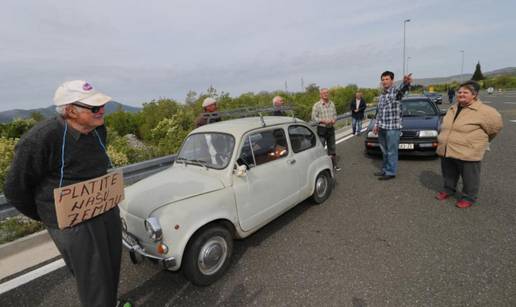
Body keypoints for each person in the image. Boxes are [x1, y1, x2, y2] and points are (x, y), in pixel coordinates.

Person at [4, 80, 131, 307]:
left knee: (111, 265)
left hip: (104, 210)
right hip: (74, 224)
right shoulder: (40, 139)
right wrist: (52, 215)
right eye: (94, 107)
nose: (102, 111)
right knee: (93, 278)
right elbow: (16, 189)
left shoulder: (98, 129)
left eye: (101, 105)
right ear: (70, 111)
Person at [435, 80, 503, 208]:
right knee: (449, 172)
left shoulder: (484, 111)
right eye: (459, 92)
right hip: (448, 148)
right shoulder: (453, 108)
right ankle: (448, 189)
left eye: (465, 92)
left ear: (474, 95)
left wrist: (480, 142)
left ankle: (468, 197)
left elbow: (495, 128)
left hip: (469, 151)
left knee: (470, 176)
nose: (461, 94)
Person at [373, 71, 412, 180]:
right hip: (382, 127)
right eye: (383, 79)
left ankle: (390, 172)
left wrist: (406, 83)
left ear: (392, 80)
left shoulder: (395, 91)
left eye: (387, 79)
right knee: (384, 151)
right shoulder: (382, 96)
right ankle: (385, 170)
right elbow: (379, 112)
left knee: (391, 151)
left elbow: (402, 91)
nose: (384, 81)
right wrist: (376, 125)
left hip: (393, 128)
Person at [312, 88, 341, 171]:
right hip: (322, 129)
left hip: (331, 128)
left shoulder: (332, 103)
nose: (325, 94)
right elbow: (314, 118)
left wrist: (334, 119)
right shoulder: (316, 105)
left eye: (327, 93)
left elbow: (335, 114)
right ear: (320, 95)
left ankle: (334, 164)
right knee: (321, 148)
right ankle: (321, 167)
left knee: (332, 148)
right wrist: (323, 121)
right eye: (323, 93)